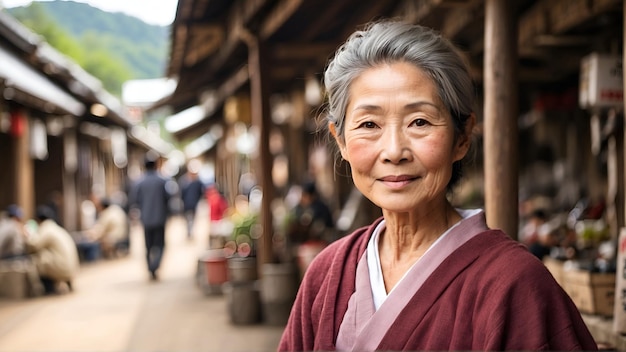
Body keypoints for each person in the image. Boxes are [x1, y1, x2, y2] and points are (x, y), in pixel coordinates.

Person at [278, 20, 597, 351]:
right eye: (369, 124)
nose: (393, 151)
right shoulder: (327, 275)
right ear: (340, 141)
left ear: (461, 137)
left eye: (419, 122)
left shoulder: (514, 285)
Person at [130, 152, 173, 280]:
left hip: (146, 219)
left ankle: (150, 268)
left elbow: (134, 201)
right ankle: (155, 266)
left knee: (148, 246)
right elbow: (169, 198)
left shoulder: (139, 182)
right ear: (155, 165)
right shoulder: (163, 181)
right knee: (160, 244)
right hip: (160, 218)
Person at [26, 205, 79, 294]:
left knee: (37, 259)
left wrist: (27, 235)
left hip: (63, 269)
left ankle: (49, 288)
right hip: (73, 269)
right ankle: (67, 282)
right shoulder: (57, 228)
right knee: (50, 254)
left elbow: (34, 246)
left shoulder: (46, 228)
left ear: (38, 219)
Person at [179, 160, 205, 239]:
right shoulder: (184, 181)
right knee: (188, 219)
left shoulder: (198, 182)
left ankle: (190, 231)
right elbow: (181, 193)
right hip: (186, 204)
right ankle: (189, 231)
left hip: (194, 204)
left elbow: (201, 192)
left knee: (192, 218)